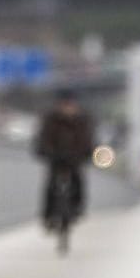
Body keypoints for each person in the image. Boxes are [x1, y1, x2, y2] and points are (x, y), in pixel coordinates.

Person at [34, 89, 95, 228]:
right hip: (55, 158)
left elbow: (87, 140)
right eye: (65, 104)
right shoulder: (50, 119)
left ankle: (77, 208)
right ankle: (48, 214)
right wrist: (46, 151)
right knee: (50, 185)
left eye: (70, 104)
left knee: (78, 181)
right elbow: (43, 138)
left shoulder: (83, 120)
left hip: (74, 158)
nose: (67, 108)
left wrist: (85, 154)